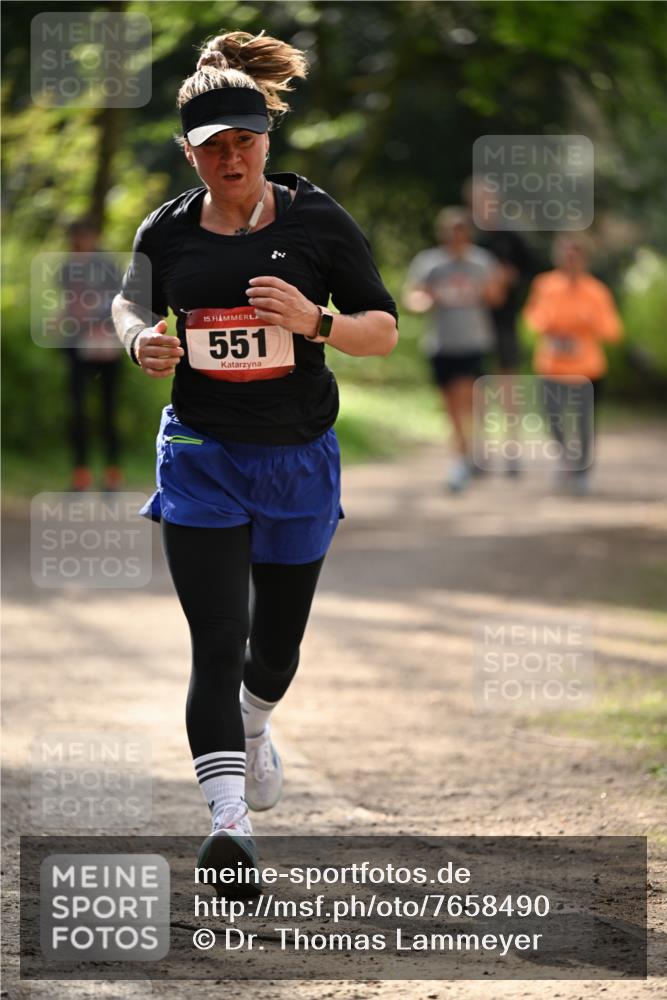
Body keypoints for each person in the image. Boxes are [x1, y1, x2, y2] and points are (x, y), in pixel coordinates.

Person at [112, 30, 398, 873]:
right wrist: (140, 344)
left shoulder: (316, 221)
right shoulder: (166, 233)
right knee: (215, 635)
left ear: (266, 141)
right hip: (200, 452)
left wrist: (314, 321)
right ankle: (230, 823)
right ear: (190, 153)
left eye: (244, 142)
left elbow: (380, 331)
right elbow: (129, 308)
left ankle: (257, 720)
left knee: (272, 649)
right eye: (212, 147)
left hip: (297, 455)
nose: (230, 159)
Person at [403, 207, 506, 492]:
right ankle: (465, 450)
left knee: (468, 399)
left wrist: (488, 289)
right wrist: (424, 300)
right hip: (441, 342)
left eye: (460, 232)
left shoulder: (482, 262)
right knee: (450, 404)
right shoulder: (430, 263)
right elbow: (413, 296)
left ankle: (464, 455)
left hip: (473, 341)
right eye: (451, 232)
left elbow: (497, 296)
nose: (456, 238)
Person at [523, 235, 623, 495]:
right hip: (552, 366)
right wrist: (546, 323)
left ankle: (582, 472)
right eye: (565, 254)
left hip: (587, 369)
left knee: (583, 424)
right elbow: (532, 317)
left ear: (583, 258)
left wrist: (590, 322)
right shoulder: (544, 284)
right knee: (553, 419)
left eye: (575, 254)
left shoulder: (597, 290)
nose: (570, 259)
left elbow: (613, 330)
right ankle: (566, 459)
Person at [468, 179, 541, 476]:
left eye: (490, 200)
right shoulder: (467, 237)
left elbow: (534, 273)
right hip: (472, 325)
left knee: (508, 389)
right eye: (479, 201)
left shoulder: (512, 237)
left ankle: (513, 452)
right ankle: (480, 452)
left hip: (506, 322)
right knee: (477, 390)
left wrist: (511, 279)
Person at [60, 218, 124, 491]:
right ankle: (81, 474)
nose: (80, 244)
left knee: (109, 409)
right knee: (78, 411)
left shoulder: (109, 265)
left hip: (108, 344)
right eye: (76, 240)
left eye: (85, 238)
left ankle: (112, 473)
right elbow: (68, 305)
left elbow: (121, 301)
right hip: (77, 344)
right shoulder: (66, 268)